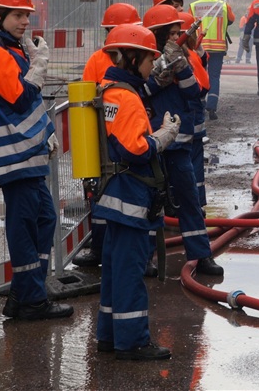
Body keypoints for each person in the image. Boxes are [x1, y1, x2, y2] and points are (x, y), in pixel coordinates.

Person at [0, 0, 73, 320]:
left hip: (26, 151)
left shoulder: (8, 50)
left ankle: (25, 293)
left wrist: (45, 132)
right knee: (25, 222)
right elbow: (19, 98)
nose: (25, 22)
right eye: (18, 15)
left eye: (27, 15)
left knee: (44, 218)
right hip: (13, 156)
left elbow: (24, 106)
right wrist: (38, 66)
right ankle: (32, 300)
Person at [92, 23, 179, 360]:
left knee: (115, 268)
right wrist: (163, 137)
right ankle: (132, 342)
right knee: (129, 271)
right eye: (149, 59)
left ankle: (109, 335)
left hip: (113, 194)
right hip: (131, 196)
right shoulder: (126, 97)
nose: (152, 65)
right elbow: (135, 150)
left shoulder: (108, 89)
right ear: (132, 57)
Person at [142, 5, 224, 276]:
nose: (178, 37)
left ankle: (201, 256)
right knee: (151, 202)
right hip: (152, 142)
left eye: (179, 32)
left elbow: (193, 92)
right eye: (172, 33)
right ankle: (146, 258)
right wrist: (159, 78)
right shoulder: (144, 58)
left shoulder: (181, 57)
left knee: (189, 199)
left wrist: (180, 67)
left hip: (179, 144)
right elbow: (140, 93)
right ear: (157, 34)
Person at [73, 2, 143, 268]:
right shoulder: (99, 60)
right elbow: (88, 101)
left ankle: (136, 253)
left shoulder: (132, 56)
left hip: (123, 137)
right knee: (99, 195)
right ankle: (100, 248)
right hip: (104, 140)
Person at [189, 0, 235, 120]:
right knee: (214, 77)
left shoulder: (193, 6)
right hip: (217, 48)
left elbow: (188, 24)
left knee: (199, 76)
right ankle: (212, 107)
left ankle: (200, 105)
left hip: (199, 48)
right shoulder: (224, 5)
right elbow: (231, 20)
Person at [178, 11, 210, 212]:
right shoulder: (189, 56)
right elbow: (204, 85)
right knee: (193, 162)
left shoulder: (186, 56)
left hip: (185, 123)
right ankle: (196, 203)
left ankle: (190, 204)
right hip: (193, 122)